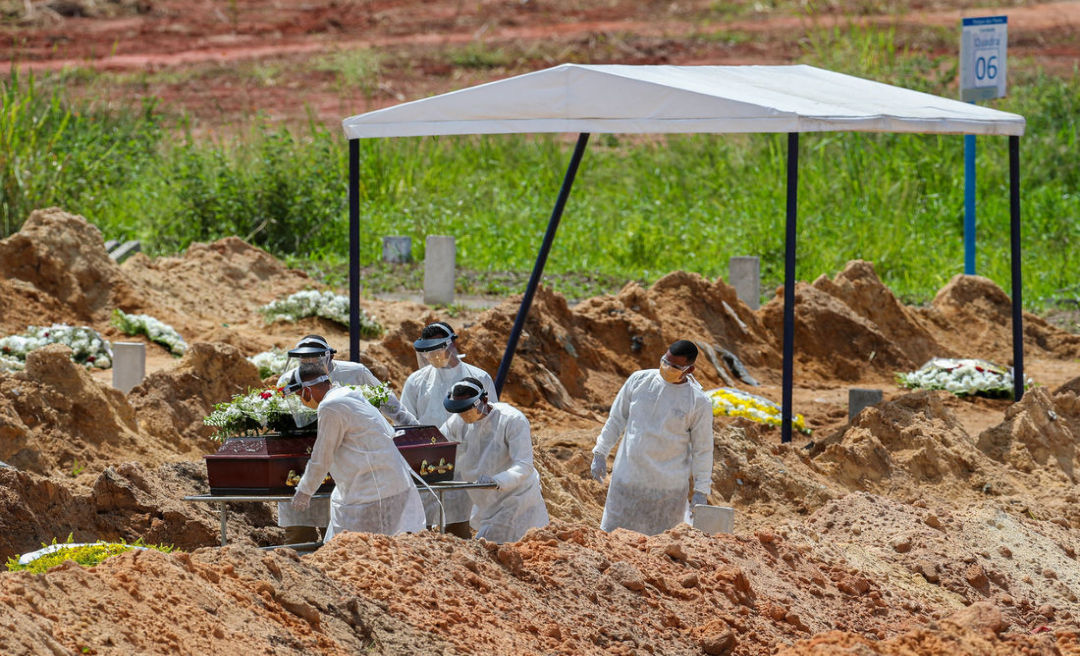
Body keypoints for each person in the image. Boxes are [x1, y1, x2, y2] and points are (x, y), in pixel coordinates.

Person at [276, 335, 417, 544]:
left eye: (300, 397)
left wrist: (304, 491)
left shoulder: (330, 406)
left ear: (307, 390)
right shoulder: (344, 393)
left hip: (372, 490)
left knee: (364, 551)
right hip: (375, 485)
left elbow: (322, 456)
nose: (303, 403)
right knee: (346, 549)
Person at [590, 339, 714, 536]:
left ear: (689, 370)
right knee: (615, 537)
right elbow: (616, 419)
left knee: (659, 543)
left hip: (666, 489)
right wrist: (600, 451)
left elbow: (703, 448)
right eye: (665, 361)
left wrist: (701, 490)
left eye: (674, 367)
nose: (666, 368)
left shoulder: (698, 402)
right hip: (628, 478)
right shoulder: (639, 381)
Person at [401, 322, 498, 537]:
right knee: (420, 525)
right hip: (425, 461)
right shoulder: (417, 381)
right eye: (429, 351)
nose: (434, 355)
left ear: (451, 344)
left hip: (465, 460)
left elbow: (490, 420)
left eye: (438, 349)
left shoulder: (479, 378)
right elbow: (406, 421)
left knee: (458, 522)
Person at [439, 377, 548, 543]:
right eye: (460, 411)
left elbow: (524, 465)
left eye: (468, 410)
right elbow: (440, 442)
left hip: (516, 499)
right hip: (486, 500)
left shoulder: (511, 420)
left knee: (492, 545)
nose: (464, 415)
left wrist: (496, 481)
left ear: (484, 400)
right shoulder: (459, 421)